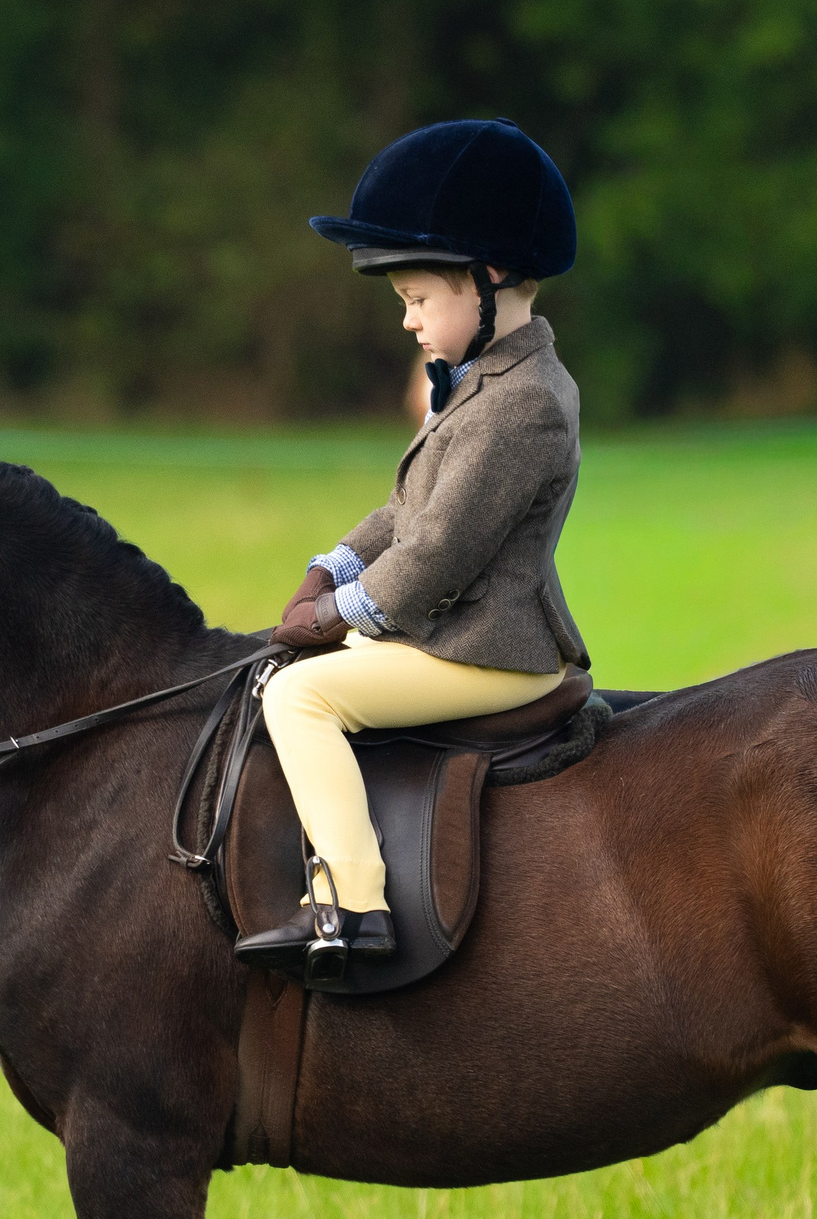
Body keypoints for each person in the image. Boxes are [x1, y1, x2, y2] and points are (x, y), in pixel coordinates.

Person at [234, 118, 593, 980]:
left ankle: (354, 903)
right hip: (450, 631)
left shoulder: (527, 404)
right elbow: (402, 510)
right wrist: (332, 565)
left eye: (419, 299)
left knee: (302, 701)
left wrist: (337, 615)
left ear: (489, 278)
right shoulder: (478, 384)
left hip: (491, 648)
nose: (408, 321)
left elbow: (437, 555)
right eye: (404, 304)